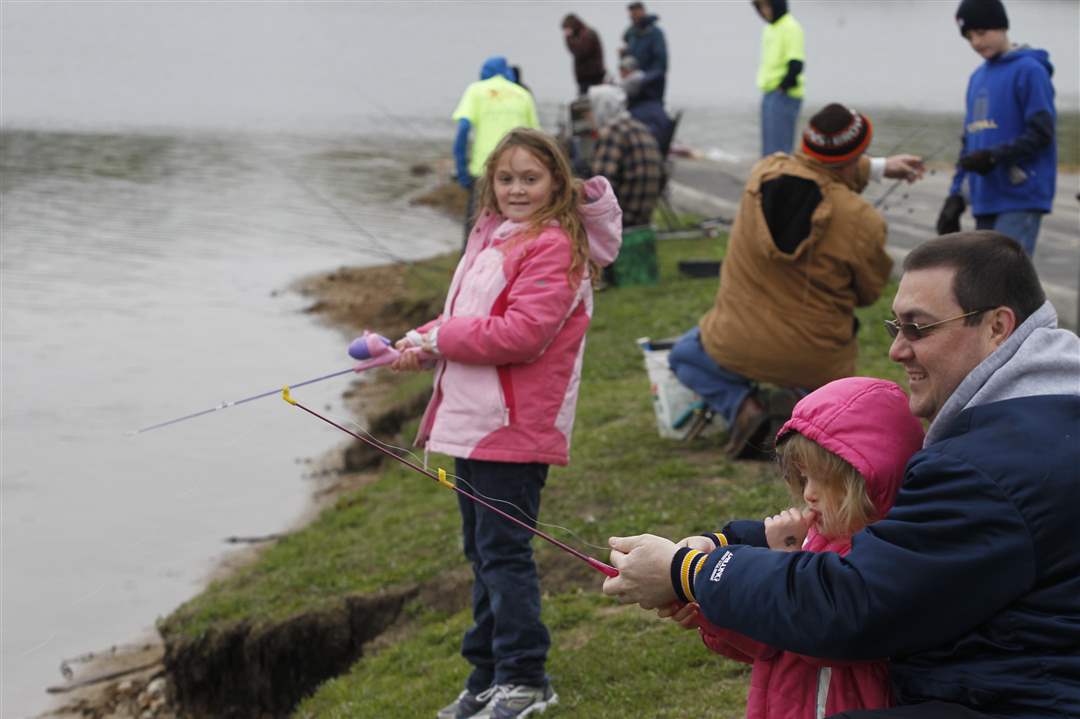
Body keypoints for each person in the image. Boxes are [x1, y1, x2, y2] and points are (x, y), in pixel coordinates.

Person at [603, 231, 1080, 718]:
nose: (897, 349)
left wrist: (688, 572)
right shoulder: (1048, 414)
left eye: (919, 328)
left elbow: (852, 605)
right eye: (895, 327)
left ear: (997, 327)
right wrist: (725, 544)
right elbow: (895, 546)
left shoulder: (988, 465)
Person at [394, 128, 622, 719]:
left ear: (557, 183)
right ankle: (486, 678)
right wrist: (420, 342)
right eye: (506, 178)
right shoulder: (492, 235)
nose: (517, 189)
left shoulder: (554, 247)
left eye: (530, 178)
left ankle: (525, 679)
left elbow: (521, 335)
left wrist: (441, 338)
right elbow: (466, 319)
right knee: (482, 553)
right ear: (490, 183)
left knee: (503, 555)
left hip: (513, 429)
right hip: (472, 423)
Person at [666, 103, 924, 458]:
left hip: (734, 344)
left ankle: (743, 407)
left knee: (684, 355)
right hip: (815, 360)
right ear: (858, 152)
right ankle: (804, 407)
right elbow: (869, 292)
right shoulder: (862, 220)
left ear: (806, 144)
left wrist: (876, 167)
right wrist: (872, 167)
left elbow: (819, 168)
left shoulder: (762, 174)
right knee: (831, 394)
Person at [664, 377, 924, 718]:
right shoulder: (816, 538)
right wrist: (711, 609)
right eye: (803, 479)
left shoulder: (878, 560)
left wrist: (784, 564)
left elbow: (818, 639)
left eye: (823, 480)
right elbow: (770, 645)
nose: (808, 494)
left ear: (869, 478)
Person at [936, 0, 1056, 257]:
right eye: (969, 37)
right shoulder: (977, 78)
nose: (976, 42)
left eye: (982, 32)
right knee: (982, 275)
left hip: (1020, 196)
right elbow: (969, 144)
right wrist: (956, 196)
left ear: (1002, 26)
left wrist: (994, 156)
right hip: (985, 198)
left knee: (1005, 275)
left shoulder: (1030, 70)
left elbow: (1042, 133)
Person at [452, 56, 540, 246]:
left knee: (477, 235)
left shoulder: (476, 90)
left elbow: (463, 129)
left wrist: (461, 169)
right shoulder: (522, 94)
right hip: (518, 176)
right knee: (515, 235)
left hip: (483, 173)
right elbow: (536, 139)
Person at [587, 84, 664, 229]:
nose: (588, 115)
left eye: (591, 109)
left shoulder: (613, 133)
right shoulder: (642, 129)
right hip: (643, 219)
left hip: (621, 220)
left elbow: (601, 189)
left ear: (602, 107)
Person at [753, 0, 805, 156]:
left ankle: (782, 173)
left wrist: (783, 86)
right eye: (760, 7)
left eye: (767, 6)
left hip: (784, 94)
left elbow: (796, 63)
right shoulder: (769, 28)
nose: (764, 11)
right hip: (769, 92)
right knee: (768, 150)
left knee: (780, 149)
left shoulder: (790, 26)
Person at [618, 55, 676, 155]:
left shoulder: (637, 111)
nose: (621, 74)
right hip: (657, 149)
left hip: (647, 152)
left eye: (623, 71)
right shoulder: (654, 105)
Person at [621, 2, 668, 104]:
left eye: (635, 13)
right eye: (631, 14)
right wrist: (624, 55)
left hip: (650, 81)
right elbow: (630, 57)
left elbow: (661, 61)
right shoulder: (632, 34)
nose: (633, 16)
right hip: (633, 82)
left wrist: (647, 78)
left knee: (651, 105)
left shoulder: (655, 33)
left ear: (643, 12)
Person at [561, 14, 606, 96]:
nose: (566, 33)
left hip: (592, 77)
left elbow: (581, 52)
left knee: (589, 100)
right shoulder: (580, 35)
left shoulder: (588, 34)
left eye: (567, 29)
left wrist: (569, 39)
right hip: (585, 77)